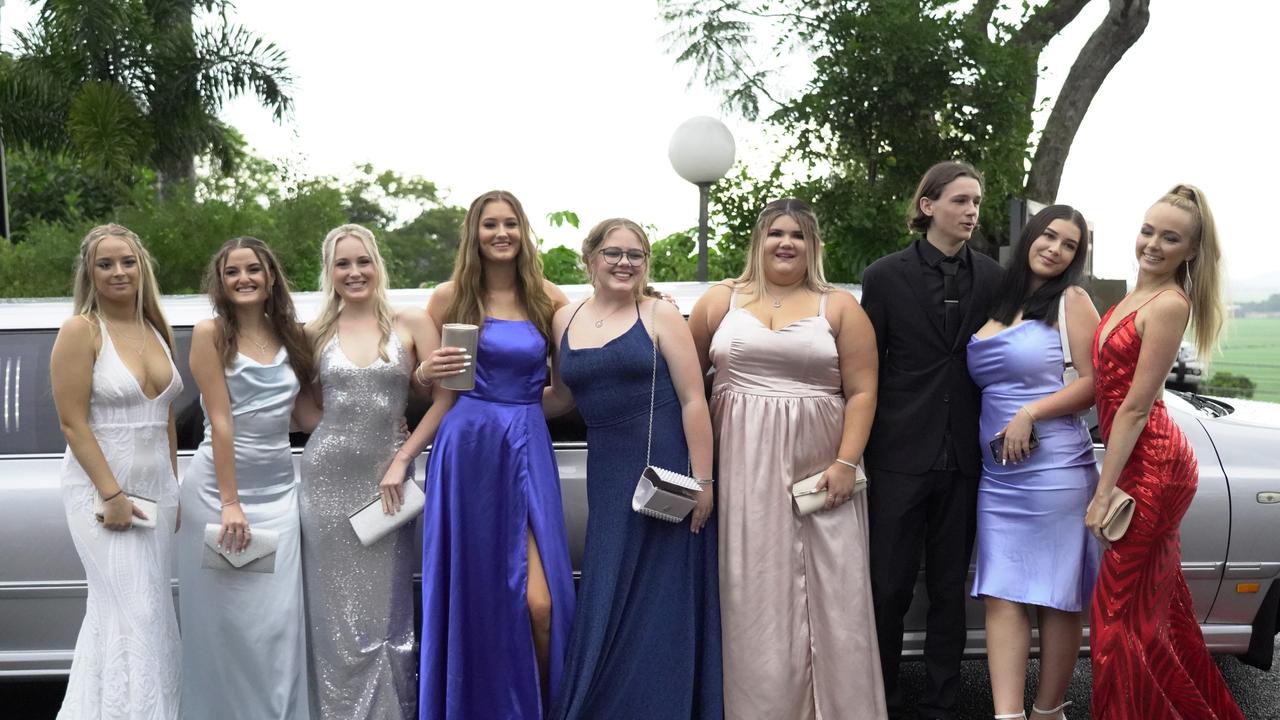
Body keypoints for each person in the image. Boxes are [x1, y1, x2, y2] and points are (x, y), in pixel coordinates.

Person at [689, 198, 885, 719]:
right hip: (739, 470)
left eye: (798, 235)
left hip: (820, 472)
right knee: (751, 592)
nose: (786, 243)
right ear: (759, 239)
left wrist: (847, 463)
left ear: (812, 246)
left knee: (833, 594)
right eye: (777, 232)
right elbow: (683, 386)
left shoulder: (839, 306)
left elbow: (863, 392)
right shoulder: (717, 302)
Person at [546, 218, 722, 719]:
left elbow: (693, 400)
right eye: (613, 253)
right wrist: (491, 405)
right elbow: (561, 396)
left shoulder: (661, 314)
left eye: (636, 254)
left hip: (665, 470)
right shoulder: (563, 317)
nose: (625, 263)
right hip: (607, 470)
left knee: (662, 597)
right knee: (608, 583)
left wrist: (703, 481)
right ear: (591, 257)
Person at [416, 190, 576, 719]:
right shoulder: (448, 299)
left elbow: (571, 384)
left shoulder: (548, 299)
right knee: (475, 598)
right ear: (474, 233)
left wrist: (522, 413)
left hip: (527, 449)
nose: (501, 233)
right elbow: (433, 388)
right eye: (490, 225)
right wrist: (425, 373)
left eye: (510, 223)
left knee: (540, 604)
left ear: (523, 231)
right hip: (465, 454)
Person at [1085, 185, 1242, 720]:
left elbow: (1133, 407)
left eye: (1169, 237)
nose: (1152, 244)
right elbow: (1105, 383)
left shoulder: (1171, 303)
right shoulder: (1135, 295)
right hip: (1141, 460)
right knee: (1158, 612)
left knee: (1116, 613)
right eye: (1148, 230)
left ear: (1190, 251)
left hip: (1153, 468)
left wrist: (1103, 492)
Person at [859, 160, 1003, 720]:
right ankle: (881, 696)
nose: (971, 211)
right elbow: (865, 367)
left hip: (968, 456)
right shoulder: (884, 276)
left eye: (976, 202)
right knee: (888, 588)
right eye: (961, 201)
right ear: (928, 206)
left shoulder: (994, 278)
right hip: (897, 454)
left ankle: (943, 703)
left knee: (950, 590)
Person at [295, 224, 443, 719]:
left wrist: (402, 456)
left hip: (390, 485)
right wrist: (349, 437)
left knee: (387, 613)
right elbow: (305, 412)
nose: (354, 272)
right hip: (326, 481)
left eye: (363, 261)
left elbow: (448, 398)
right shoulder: (311, 333)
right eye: (343, 263)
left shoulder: (412, 323)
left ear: (378, 265)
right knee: (332, 614)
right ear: (329, 272)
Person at [966, 205, 1101, 720]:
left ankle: (1048, 712)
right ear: (1030, 237)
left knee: (1055, 596)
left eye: (1069, 245)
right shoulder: (997, 300)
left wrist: (1031, 411)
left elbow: (1093, 384)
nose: (1056, 249)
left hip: (1055, 471)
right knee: (1001, 592)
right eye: (1050, 236)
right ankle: (1007, 716)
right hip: (998, 476)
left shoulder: (1071, 300)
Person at [177, 236, 315, 720]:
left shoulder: (293, 334)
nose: (243, 279)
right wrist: (231, 503)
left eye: (253, 269)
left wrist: (381, 425)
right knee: (224, 628)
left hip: (280, 494)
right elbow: (220, 420)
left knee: (277, 625)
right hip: (219, 497)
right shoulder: (209, 333)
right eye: (232, 272)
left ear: (270, 276)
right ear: (220, 281)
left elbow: (305, 415)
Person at [50, 224, 183, 719]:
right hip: (101, 492)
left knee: (151, 615)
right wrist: (111, 494)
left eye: (127, 261)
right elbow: (71, 420)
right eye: (105, 264)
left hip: (156, 493)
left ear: (141, 265)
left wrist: (173, 486)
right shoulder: (80, 331)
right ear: (90, 273)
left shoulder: (156, 328)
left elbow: (167, 416)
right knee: (134, 613)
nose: (118, 271)